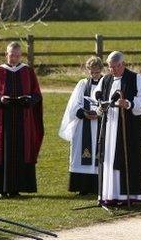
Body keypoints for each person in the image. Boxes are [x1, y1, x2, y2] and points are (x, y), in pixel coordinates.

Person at [0, 42, 44, 199]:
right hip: (3, 121)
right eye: (11, 54)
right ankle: (2, 189)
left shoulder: (28, 72)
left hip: (23, 120)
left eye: (17, 55)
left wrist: (29, 100)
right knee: (3, 152)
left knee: (22, 151)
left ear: (20, 55)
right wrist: (1, 100)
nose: (14, 58)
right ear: (6, 55)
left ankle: (17, 188)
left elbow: (37, 95)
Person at [92, 51, 141, 206]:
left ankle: (128, 196)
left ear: (123, 64)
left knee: (126, 158)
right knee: (109, 158)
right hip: (109, 125)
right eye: (110, 67)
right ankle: (109, 195)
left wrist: (129, 104)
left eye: (116, 67)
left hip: (128, 126)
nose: (113, 70)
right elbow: (96, 95)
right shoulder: (106, 79)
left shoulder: (135, 79)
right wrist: (100, 104)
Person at [59, 56, 103, 195]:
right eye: (92, 72)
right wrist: (84, 113)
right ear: (88, 70)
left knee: (100, 154)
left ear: (101, 69)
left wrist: (99, 112)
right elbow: (73, 105)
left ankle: (99, 187)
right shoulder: (83, 84)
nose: (94, 75)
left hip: (101, 124)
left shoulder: (106, 82)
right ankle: (82, 187)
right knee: (81, 155)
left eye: (97, 72)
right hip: (84, 125)